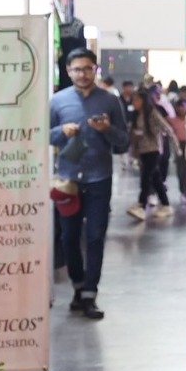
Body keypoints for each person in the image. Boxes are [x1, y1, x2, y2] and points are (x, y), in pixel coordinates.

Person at [49, 48, 130, 319]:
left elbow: (123, 142)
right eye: (76, 69)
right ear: (68, 71)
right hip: (67, 181)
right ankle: (78, 285)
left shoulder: (109, 101)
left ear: (95, 69)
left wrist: (107, 130)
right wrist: (62, 132)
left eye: (87, 68)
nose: (81, 74)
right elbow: (41, 135)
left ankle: (89, 294)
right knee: (68, 237)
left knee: (95, 236)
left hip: (99, 179)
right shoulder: (58, 101)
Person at [126, 89, 173, 220]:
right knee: (156, 179)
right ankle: (166, 204)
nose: (134, 102)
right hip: (143, 150)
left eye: (137, 100)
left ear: (143, 100)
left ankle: (141, 205)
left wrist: (176, 145)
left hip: (154, 150)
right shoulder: (136, 115)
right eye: (133, 100)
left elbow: (166, 128)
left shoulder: (152, 113)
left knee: (145, 178)